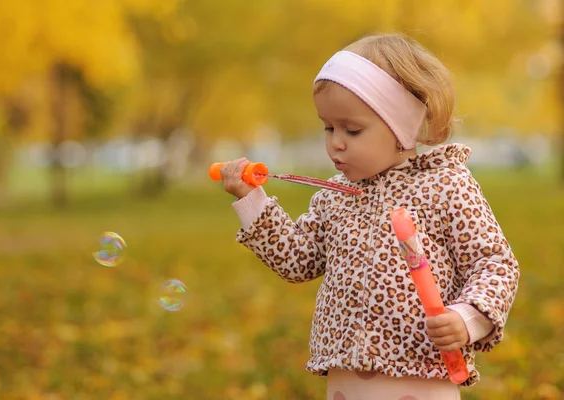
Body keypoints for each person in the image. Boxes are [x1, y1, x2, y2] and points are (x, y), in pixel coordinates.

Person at [217, 32, 519, 400]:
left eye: (352, 129)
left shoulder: (446, 184)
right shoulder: (335, 195)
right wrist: (252, 200)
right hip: (346, 379)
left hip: (420, 375)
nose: (336, 142)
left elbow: (494, 263)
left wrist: (467, 318)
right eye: (328, 127)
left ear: (400, 128)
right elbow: (298, 260)